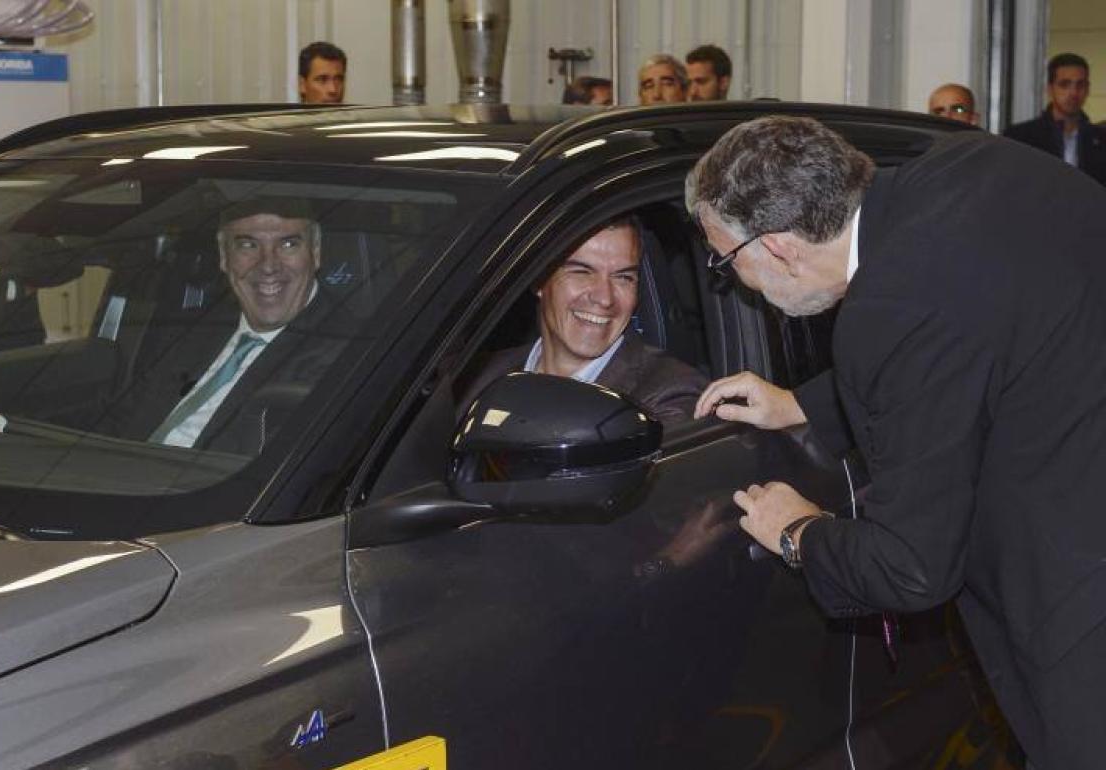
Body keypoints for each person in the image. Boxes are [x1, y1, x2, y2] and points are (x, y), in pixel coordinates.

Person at [685, 114, 1106, 769]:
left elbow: (912, 567)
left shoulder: (888, 310)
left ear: (780, 248)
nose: (729, 279)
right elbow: (970, 333)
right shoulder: (977, 164)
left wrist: (799, 531)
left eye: (725, 259)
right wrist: (801, 403)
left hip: (1081, 605)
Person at [0, 198, 351, 455]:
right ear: (224, 258)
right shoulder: (198, 332)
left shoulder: (344, 356)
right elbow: (115, 431)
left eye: (288, 244)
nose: (268, 266)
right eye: (248, 245)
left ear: (317, 254)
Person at [465, 217, 707, 425]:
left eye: (623, 277)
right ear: (539, 280)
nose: (604, 298)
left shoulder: (669, 394)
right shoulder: (471, 379)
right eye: (582, 272)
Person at [1005, 53, 1106, 186]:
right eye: (1065, 84)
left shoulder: (1101, 140)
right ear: (1050, 89)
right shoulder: (1021, 138)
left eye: (1080, 85)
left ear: (1087, 89)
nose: (1073, 93)